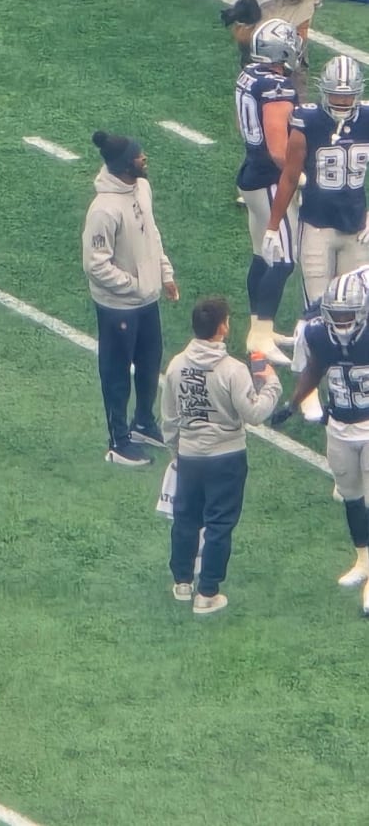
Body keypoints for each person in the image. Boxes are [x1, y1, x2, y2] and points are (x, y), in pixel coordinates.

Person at [161, 296, 281, 614]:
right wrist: (271, 385)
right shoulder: (233, 370)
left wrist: (178, 452)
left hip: (189, 455)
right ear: (222, 328)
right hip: (226, 458)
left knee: (185, 519)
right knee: (219, 524)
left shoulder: (176, 365)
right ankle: (208, 593)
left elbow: (169, 419)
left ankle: (183, 583)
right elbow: (253, 413)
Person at [272, 272, 369, 613]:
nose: (341, 321)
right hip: (339, 426)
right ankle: (363, 560)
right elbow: (315, 368)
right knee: (352, 497)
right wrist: (293, 403)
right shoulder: (318, 334)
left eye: (348, 314)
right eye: (336, 314)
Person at [82, 129, 179, 468]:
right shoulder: (104, 210)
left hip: (147, 299)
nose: (144, 159)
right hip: (118, 307)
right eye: (139, 157)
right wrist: (136, 285)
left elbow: (151, 234)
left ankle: (142, 423)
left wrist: (163, 273)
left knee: (151, 363)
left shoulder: (142, 188)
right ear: (125, 165)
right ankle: (118, 441)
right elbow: (96, 266)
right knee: (117, 373)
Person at [263, 55, 369, 304]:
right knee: (317, 304)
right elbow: (289, 176)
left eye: (348, 95)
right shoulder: (309, 121)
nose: (342, 101)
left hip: (356, 225)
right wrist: (272, 227)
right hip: (316, 224)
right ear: (323, 91)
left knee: (357, 304)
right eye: (336, 94)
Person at [235, 19, 301, 362]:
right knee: (284, 259)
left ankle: (258, 330)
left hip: (251, 171)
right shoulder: (277, 87)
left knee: (263, 254)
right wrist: (299, 175)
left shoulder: (249, 76)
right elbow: (279, 150)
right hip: (270, 180)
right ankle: (260, 335)